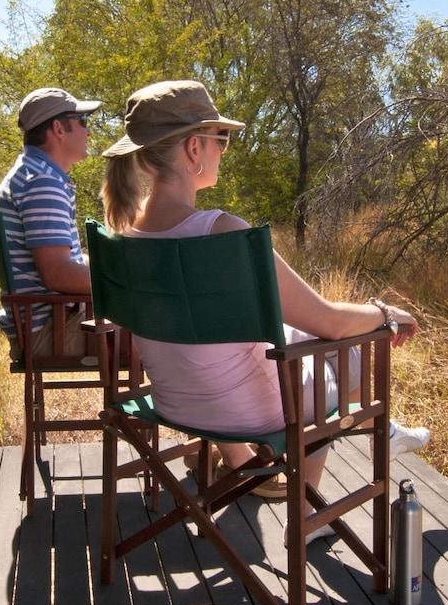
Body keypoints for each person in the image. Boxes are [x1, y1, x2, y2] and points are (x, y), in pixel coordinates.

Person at [99, 79, 428, 497]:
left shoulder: (120, 240)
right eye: (221, 139)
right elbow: (330, 319)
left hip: (175, 404)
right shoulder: (222, 233)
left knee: (303, 333)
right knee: (359, 348)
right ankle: (306, 507)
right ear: (193, 149)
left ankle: (383, 440)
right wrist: (386, 314)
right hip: (253, 413)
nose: (223, 149)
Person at [0, 85, 100, 359]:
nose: (88, 131)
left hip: (53, 323)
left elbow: (66, 262)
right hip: (53, 331)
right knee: (164, 326)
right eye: (82, 122)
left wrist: (112, 264)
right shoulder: (42, 183)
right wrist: (126, 282)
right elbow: (58, 274)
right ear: (58, 129)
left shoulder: (34, 175)